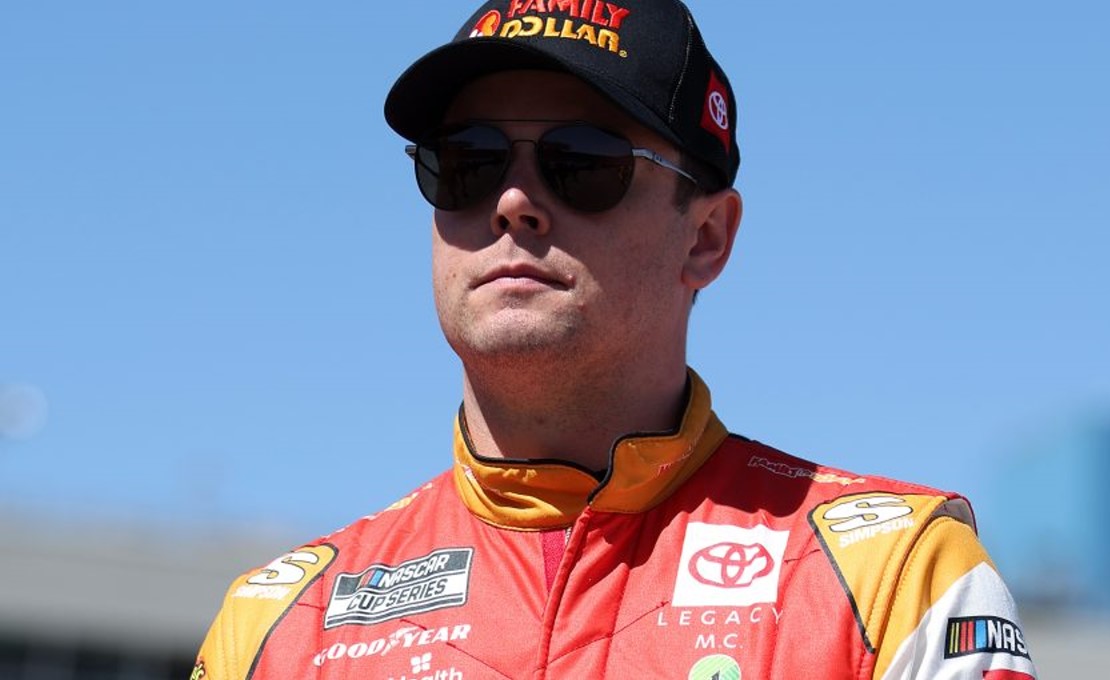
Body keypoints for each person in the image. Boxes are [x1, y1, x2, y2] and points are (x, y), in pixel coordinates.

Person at [193, 1, 1038, 678]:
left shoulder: (895, 578)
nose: (512, 202)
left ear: (705, 238)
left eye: (583, 161)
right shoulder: (276, 630)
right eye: (467, 160)